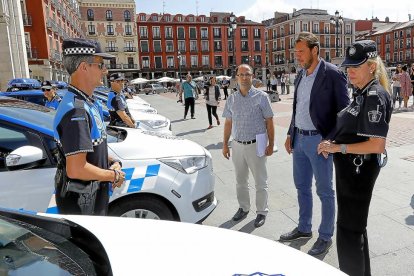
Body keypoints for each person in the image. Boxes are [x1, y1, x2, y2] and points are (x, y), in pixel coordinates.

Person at [317, 40, 392, 276]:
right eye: (347, 66)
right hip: (352, 172)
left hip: (358, 172)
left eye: (355, 67)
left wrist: (339, 149)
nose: (349, 71)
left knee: (349, 233)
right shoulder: (362, 92)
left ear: (371, 66)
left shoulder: (374, 96)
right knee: (355, 230)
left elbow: (377, 145)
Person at [279, 32, 350, 256]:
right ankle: (304, 227)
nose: (297, 56)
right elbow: (297, 107)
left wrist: (330, 138)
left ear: (315, 50)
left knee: (325, 191)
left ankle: (325, 236)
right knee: (301, 187)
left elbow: (344, 111)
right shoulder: (300, 75)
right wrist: (291, 133)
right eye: (296, 52)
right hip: (299, 139)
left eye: (301, 52)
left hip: (320, 142)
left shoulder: (332, 73)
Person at [53, 38, 125, 215]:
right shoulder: (76, 111)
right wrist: (113, 175)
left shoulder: (87, 103)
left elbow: (95, 146)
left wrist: (113, 162)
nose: (105, 71)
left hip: (90, 197)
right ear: (84, 67)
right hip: (82, 203)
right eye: (100, 65)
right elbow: (77, 168)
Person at [222, 64, 275, 228]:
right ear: (236, 77)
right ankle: (244, 208)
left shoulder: (262, 97)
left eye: (247, 74)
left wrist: (271, 144)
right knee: (240, 180)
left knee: (260, 180)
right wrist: (225, 144)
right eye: (241, 74)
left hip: (257, 142)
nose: (244, 77)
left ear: (252, 76)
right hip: (237, 144)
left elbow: (269, 121)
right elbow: (228, 123)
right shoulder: (231, 99)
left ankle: (261, 211)